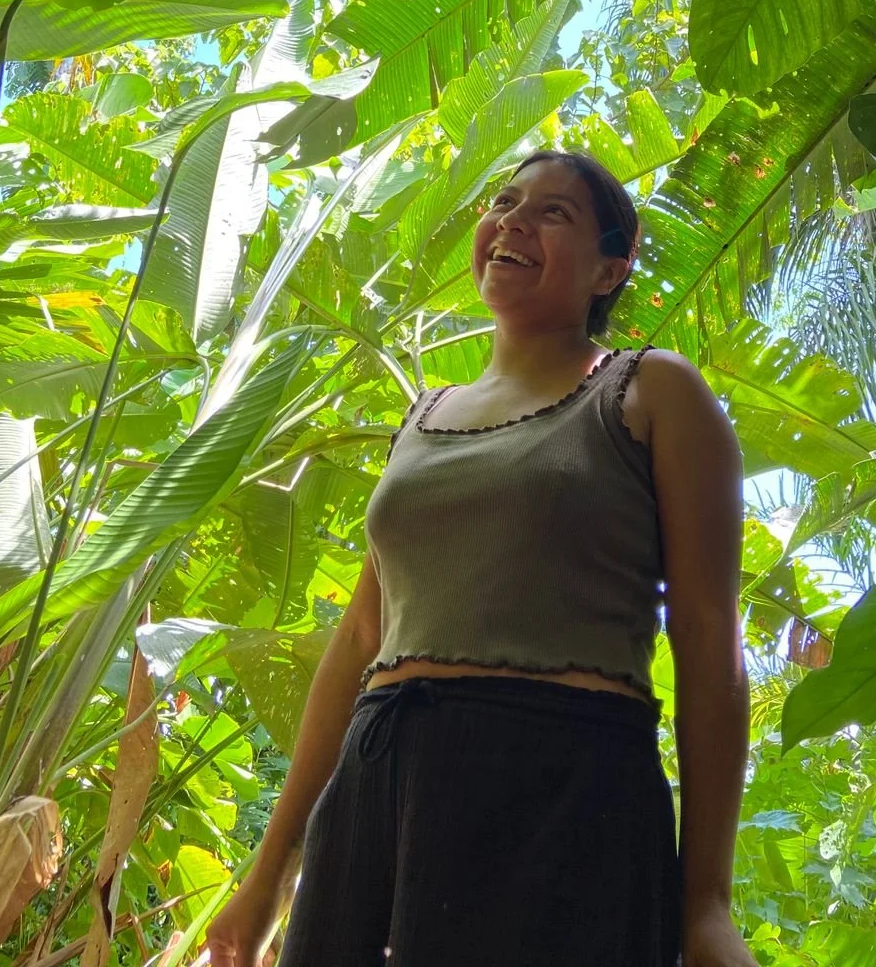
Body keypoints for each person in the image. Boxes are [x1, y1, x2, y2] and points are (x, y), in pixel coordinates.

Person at [207, 150, 756, 967]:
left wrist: (705, 903)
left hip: (561, 787)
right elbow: (361, 640)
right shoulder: (421, 418)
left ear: (610, 269)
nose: (513, 221)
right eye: (504, 201)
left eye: (554, 212)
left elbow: (710, 635)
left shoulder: (651, 391)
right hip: (376, 790)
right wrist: (270, 874)